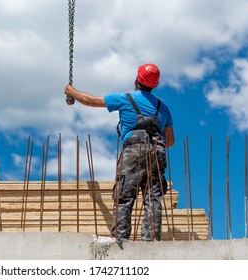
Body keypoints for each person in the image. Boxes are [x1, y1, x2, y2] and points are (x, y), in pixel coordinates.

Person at [64, 63, 175, 242]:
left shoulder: (125, 99)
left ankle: (121, 242)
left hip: (133, 149)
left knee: (124, 197)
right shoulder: (163, 108)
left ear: (136, 80)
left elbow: (91, 100)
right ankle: (152, 243)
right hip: (157, 151)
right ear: (154, 85)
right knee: (153, 200)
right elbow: (170, 140)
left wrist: (72, 92)